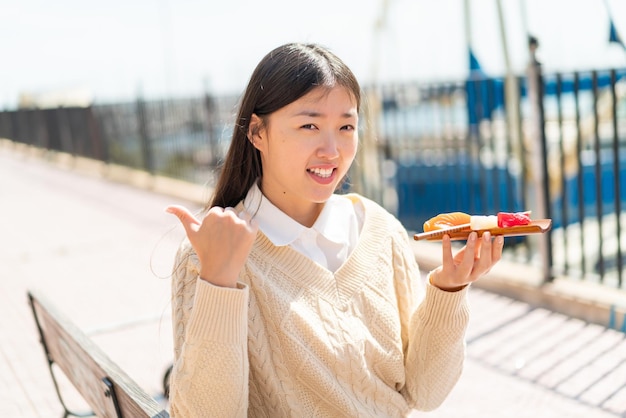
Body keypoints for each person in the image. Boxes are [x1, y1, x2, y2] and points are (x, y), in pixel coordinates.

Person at [165, 42, 504, 417]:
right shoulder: (209, 254)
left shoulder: (380, 230)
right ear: (257, 132)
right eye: (309, 125)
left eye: (346, 126)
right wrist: (219, 284)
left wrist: (448, 289)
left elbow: (424, 393)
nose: (331, 150)